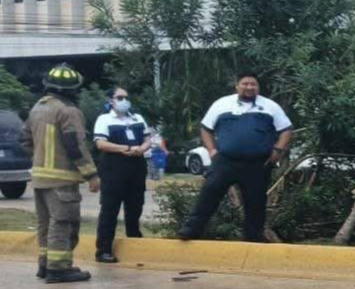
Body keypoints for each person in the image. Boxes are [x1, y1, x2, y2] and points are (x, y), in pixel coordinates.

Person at [179, 72, 293, 242]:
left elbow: (286, 130)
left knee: (255, 203)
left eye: (253, 84)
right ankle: (191, 230)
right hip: (225, 161)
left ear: (258, 87)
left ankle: (253, 238)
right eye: (245, 84)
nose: (249, 87)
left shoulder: (270, 106)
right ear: (237, 86)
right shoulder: (222, 104)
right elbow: (206, 129)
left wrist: (278, 151)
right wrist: (212, 151)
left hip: (257, 164)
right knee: (209, 193)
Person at [20, 64, 100, 283]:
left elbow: (24, 140)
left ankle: (45, 265)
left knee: (46, 223)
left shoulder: (38, 107)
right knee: (63, 222)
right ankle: (59, 268)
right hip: (62, 179)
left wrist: (40, 160)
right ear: (71, 89)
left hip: (40, 179)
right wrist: (91, 174)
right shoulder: (69, 110)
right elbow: (74, 145)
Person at [92, 87, 151, 263]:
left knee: (135, 207)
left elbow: (148, 138)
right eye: (120, 97)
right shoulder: (104, 119)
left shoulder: (137, 118)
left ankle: (134, 242)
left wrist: (141, 148)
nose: (124, 100)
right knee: (110, 210)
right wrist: (123, 149)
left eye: (126, 97)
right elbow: (100, 143)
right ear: (111, 100)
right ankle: (103, 250)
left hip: (136, 167)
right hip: (113, 168)